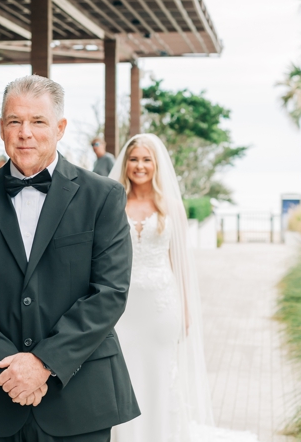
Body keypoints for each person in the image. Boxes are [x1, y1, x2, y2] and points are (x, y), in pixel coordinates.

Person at [0, 75, 140, 441]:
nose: (25, 132)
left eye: (38, 121)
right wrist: (8, 369)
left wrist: (44, 363)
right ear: (1, 128)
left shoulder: (103, 197)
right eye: (15, 121)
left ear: (60, 128)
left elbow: (109, 292)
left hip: (79, 398)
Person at [109, 134, 258, 442]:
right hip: (122, 309)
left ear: (156, 164)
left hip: (161, 308)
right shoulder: (113, 203)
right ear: (126, 164)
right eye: (134, 159)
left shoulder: (171, 207)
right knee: (125, 376)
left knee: (159, 374)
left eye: (146, 160)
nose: (139, 166)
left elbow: (181, 264)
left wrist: (186, 309)